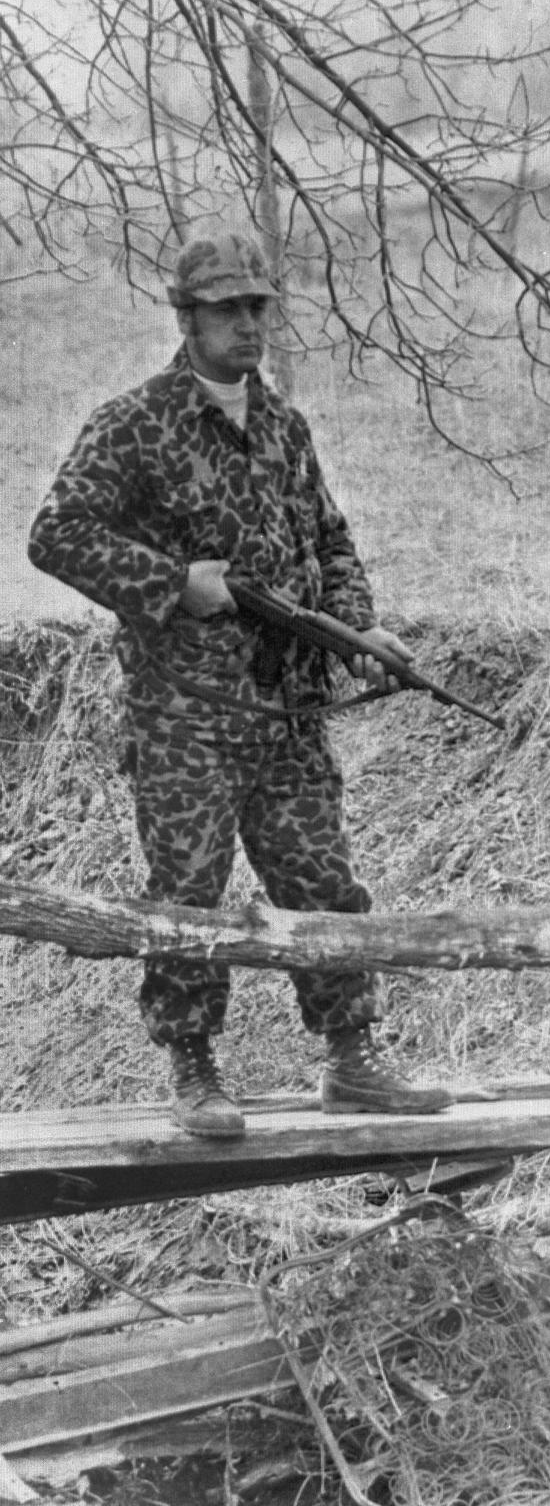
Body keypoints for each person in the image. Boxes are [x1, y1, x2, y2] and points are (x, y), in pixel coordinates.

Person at [28, 230, 454, 1139]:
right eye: (227, 309)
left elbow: (329, 538)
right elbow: (56, 533)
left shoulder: (284, 425)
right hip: (185, 712)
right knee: (190, 894)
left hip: (287, 709)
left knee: (324, 885)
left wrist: (357, 626)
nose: (248, 325)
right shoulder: (135, 423)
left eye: (258, 307)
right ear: (186, 319)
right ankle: (194, 1067)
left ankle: (352, 1056)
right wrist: (174, 584)